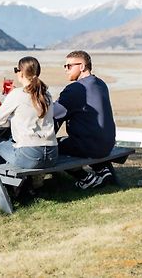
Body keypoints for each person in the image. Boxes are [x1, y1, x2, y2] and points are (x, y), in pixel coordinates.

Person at [54, 50, 116, 189]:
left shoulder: (76, 88)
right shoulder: (100, 83)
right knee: (80, 139)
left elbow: (54, 112)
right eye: (64, 66)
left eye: (69, 66)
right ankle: (102, 170)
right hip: (108, 143)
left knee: (52, 148)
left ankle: (86, 178)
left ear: (82, 66)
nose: (65, 70)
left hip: (90, 146)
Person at [0, 56, 58, 169]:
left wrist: (11, 122)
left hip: (30, 155)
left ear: (21, 73)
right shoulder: (46, 94)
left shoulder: (16, 94)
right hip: (52, 154)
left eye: (16, 70)